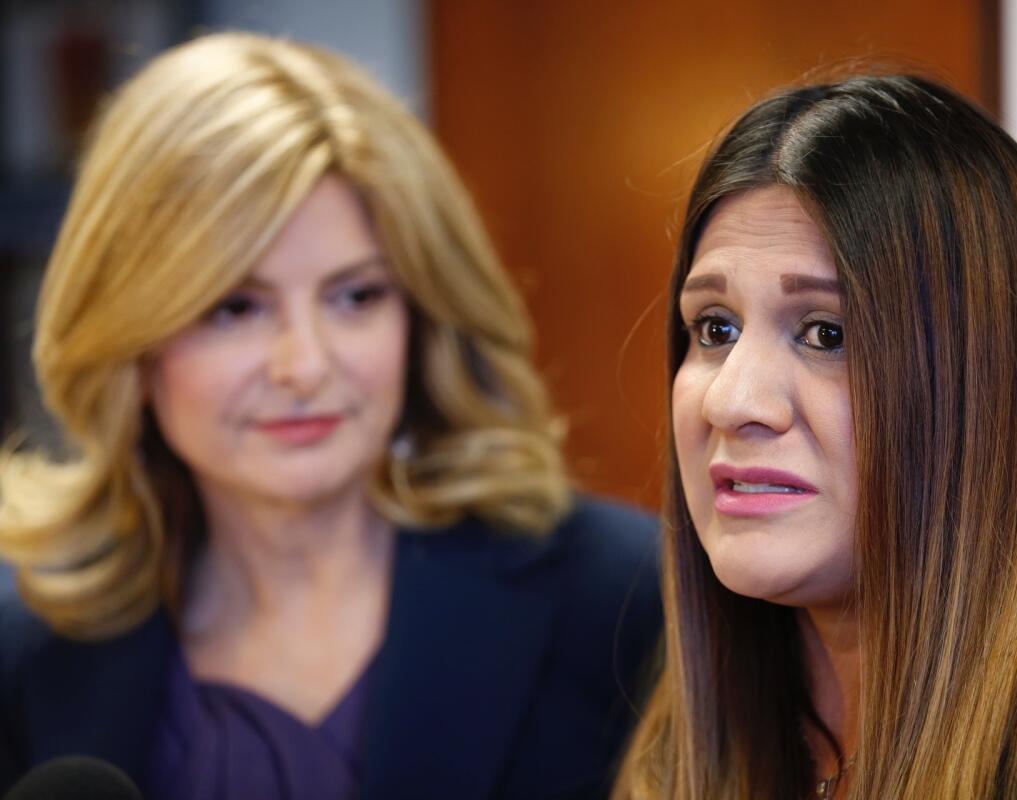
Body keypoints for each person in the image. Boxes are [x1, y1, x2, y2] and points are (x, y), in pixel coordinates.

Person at [0, 32, 661, 800]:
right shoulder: (29, 644)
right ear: (130, 344)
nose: (305, 366)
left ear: (423, 320)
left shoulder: (618, 596)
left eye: (356, 296)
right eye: (235, 307)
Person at [614, 75, 1017, 800]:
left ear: (984, 378)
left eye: (827, 333)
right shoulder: (688, 718)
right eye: (714, 329)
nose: (733, 401)